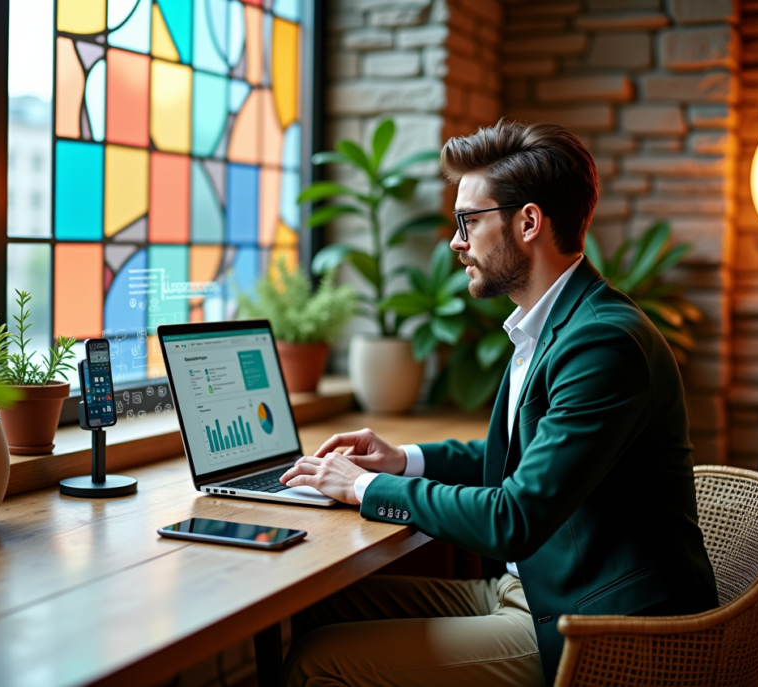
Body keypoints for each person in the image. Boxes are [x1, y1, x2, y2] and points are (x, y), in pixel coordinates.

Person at [279, 120, 719, 687]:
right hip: (532, 586)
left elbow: (514, 517)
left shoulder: (603, 343)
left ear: (528, 222)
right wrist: (402, 461)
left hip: (594, 624)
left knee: (320, 663)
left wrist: (362, 488)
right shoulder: (555, 326)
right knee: (323, 606)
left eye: (469, 221)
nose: (456, 241)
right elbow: (519, 458)